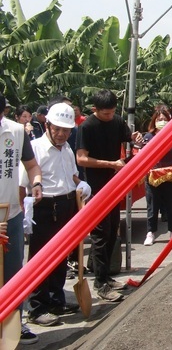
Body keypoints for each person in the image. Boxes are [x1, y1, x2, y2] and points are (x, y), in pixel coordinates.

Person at [27, 103, 92, 325]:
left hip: (66, 203)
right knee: (40, 258)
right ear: (47, 125)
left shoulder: (67, 149)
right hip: (44, 206)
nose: (62, 134)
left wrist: (80, 183)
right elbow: (25, 181)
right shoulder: (35, 148)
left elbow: (72, 175)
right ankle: (37, 307)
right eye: (57, 129)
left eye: (66, 130)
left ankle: (56, 300)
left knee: (60, 255)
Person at [76, 89, 142, 302]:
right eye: (106, 113)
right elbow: (81, 159)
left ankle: (107, 277)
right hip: (96, 189)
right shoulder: (86, 127)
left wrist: (135, 137)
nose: (110, 116)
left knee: (113, 231)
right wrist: (110, 164)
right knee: (100, 236)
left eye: (113, 112)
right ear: (94, 109)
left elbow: (129, 138)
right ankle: (100, 283)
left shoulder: (117, 121)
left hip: (114, 186)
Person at [0, 91, 44, 343]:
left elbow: (32, 165)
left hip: (11, 216)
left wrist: (36, 182)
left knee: (13, 275)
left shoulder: (16, 132)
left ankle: (15, 323)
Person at [142, 105, 172, 246]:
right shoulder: (148, 137)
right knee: (152, 205)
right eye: (159, 119)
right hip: (153, 175)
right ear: (154, 121)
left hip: (170, 175)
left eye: (164, 119)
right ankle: (151, 232)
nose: (162, 121)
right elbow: (143, 156)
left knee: (171, 205)